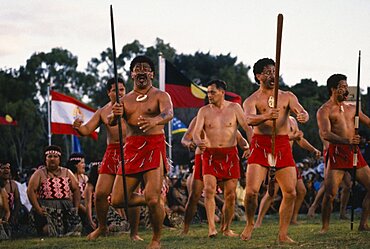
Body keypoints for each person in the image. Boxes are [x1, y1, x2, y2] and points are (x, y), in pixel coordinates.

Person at [241, 58, 309, 243]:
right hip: (260, 144)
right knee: (251, 191)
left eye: (274, 71)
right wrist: (266, 116)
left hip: (281, 144)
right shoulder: (252, 99)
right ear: (258, 76)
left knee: (291, 192)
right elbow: (248, 119)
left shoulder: (287, 96)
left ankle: (283, 234)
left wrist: (303, 115)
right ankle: (249, 222)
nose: (272, 75)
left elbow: (301, 111)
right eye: (267, 72)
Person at [110, 55, 173, 249]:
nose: (142, 72)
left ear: (152, 74)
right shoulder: (125, 100)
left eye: (145, 68)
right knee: (118, 200)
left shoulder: (161, 95)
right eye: (137, 69)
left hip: (154, 145)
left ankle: (156, 239)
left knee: (154, 197)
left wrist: (155, 121)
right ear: (132, 75)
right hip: (131, 147)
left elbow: (169, 113)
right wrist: (115, 115)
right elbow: (112, 121)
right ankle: (152, 201)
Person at [73, 77, 141, 240]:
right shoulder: (102, 111)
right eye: (114, 90)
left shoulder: (134, 105)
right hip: (112, 152)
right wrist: (78, 127)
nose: (119, 93)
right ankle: (102, 227)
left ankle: (134, 232)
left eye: (122, 90)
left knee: (132, 193)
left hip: (131, 149)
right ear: (108, 93)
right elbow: (87, 129)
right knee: (101, 193)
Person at [192, 79, 251, 238]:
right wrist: (199, 141)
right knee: (209, 190)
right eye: (208, 92)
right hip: (210, 154)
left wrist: (250, 146)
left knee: (230, 195)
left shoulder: (235, 108)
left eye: (212, 92)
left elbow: (246, 127)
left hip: (230, 154)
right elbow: (196, 132)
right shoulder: (203, 111)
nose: (209, 95)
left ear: (222, 92)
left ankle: (226, 228)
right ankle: (212, 227)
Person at [317, 73, 370, 233]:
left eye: (346, 87)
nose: (345, 90)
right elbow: (325, 134)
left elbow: (367, 121)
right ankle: (325, 227)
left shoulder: (352, 108)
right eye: (342, 87)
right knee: (330, 193)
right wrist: (347, 141)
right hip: (337, 152)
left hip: (354, 152)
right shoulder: (324, 110)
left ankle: (363, 224)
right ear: (333, 89)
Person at [181, 116, 251, 235]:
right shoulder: (201, 116)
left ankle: (225, 228)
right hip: (205, 156)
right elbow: (185, 138)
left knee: (230, 196)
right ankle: (186, 229)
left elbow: (238, 136)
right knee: (195, 195)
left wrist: (246, 146)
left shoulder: (229, 114)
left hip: (226, 156)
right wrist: (190, 144)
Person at [254, 116, 321, 228]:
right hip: (276, 157)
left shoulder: (292, 120)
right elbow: (273, 138)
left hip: (289, 158)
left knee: (301, 190)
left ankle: (293, 219)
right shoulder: (274, 119)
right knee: (272, 192)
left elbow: (299, 140)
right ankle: (258, 221)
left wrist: (312, 149)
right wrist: (293, 136)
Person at [27, 145, 82, 237]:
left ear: (59, 159)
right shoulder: (39, 173)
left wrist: (75, 208)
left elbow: (76, 189)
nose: (52, 159)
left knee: (76, 230)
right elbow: (30, 191)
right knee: (48, 231)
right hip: (47, 209)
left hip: (66, 209)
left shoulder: (67, 172)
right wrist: (38, 209)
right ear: (45, 159)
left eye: (55, 156)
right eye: (50, 156)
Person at [0, 162, 21, 233]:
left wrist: (14, 217)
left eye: (8, 168)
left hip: (10, 215)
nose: (6, 170)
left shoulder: (13, 185)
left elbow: (17, 202)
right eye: (3, 168)